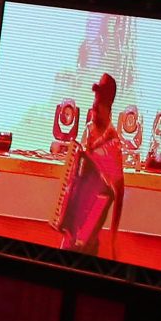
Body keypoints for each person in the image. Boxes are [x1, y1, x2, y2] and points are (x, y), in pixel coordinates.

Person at [54, 72, 128, 255]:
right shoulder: (88, 130)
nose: (93, 109)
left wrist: (113, 240)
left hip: (88, 232)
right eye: (94, 103)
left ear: (108, 108)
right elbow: (76, 176)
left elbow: (119, 192)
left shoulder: (113, 145)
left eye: (98, 105)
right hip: (71, 227)